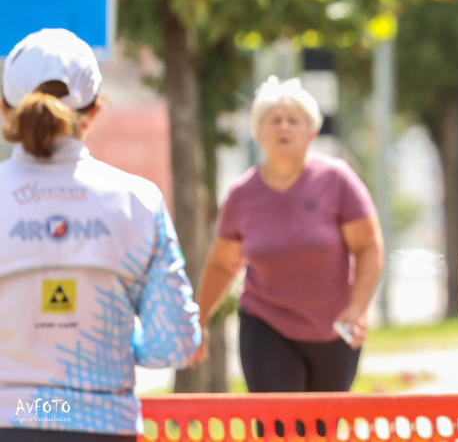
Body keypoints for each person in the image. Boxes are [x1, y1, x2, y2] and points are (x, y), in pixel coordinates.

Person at [0, 29, 201, 441]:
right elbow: (175, 343)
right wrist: (121, 338)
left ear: (5, 109)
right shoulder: (139, 202)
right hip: (104, 422)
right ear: (95, 110)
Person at [192, 77, 384, 393]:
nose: (284, 127)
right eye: (274, 120)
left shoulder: (337, 180)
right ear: (258, 133)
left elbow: (368, 247)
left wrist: (358, 307)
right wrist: (198, 321)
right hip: (265, 323)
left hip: (334, 328)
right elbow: (223, 263)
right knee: (277, 420)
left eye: (293, 121)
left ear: (311, 132)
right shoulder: (242, 194)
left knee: (323, 422)